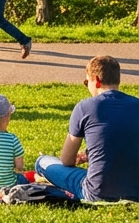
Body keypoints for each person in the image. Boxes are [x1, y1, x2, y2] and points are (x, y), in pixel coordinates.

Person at [35, 55, 139, 202]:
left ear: (95, 81)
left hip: (97, 192)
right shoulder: (136, 105)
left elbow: (67, 160)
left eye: (86, 82)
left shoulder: (85, 107)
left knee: (42, 162)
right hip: (135, 191)